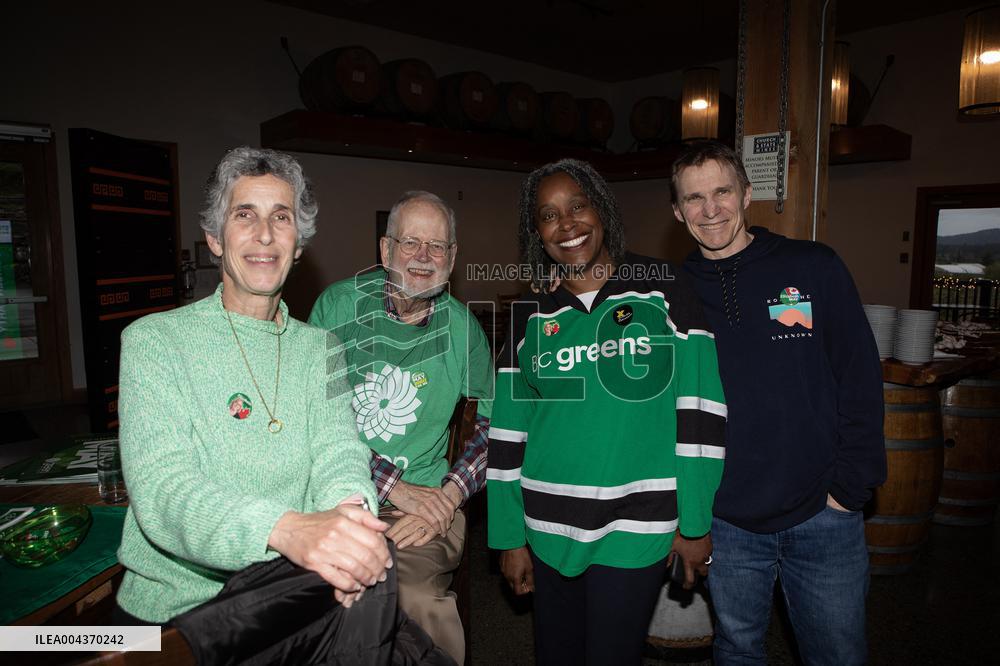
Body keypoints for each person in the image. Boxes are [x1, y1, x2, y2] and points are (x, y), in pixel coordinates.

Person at [115, 147, 427, 662]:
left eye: (281, 218)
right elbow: (164, 493)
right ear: (215, 238)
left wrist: (348, 526)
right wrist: (286, 529)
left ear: (298, 243)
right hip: (178, 622)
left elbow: (339, 453)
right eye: (245, 215)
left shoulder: (322, 348)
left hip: (294, 597)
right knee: (26, 650)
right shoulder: (155, 342)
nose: (264, 234)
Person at [487, 159, 726, 665]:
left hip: (635, 528)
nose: (567, 224)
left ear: (602, 210)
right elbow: (508, 433)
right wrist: (509, 537)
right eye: (548, 215)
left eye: (578, 205)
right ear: (536, 233)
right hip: (546, 529)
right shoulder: (530, 313)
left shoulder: (664, 288)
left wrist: (695, 523)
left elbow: (700, 412)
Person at [672, 140, 886, 666]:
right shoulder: (673, 294)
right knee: (736, 650)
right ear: (677, 212)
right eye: (694, 198)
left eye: (722, 192)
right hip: (726, 519)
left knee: (837, 655)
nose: (711, 209)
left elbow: (859, 377)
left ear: (747, 194)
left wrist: (848, 490)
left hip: (823, 514)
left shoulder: (812, 266)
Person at [308, 191, 493, 664]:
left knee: (412, 596)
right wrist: (394, 487)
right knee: (302, 592)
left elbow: (497, 427)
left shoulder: (464, 330)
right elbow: (313, 420)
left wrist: (449, 496)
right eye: (410, 242)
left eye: (437, 246)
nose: (423, 257)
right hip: (336, 497)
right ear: (385, 249)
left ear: (453, 257)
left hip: (426, 510)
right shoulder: (338, 308)